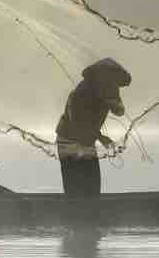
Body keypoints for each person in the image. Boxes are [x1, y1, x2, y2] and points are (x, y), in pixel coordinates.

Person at [55, 58, 131, 197]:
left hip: (87, 140)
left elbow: (120, 111)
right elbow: (78, 123)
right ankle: (76, 212)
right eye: (108, 79)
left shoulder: (110, 89)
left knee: (92, 186)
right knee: (75, 187)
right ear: (98, 75)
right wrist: (101, 137)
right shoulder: (81, 92)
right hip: (69, 140)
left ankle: (89, 209)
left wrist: (112, 102)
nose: (112, 84)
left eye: (114, 82)